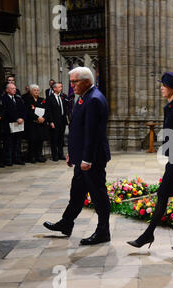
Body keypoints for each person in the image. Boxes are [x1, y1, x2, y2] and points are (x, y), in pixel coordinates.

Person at [128, 72, 173, 250]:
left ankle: (148, 234)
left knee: (164, 195)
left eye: (164, 85)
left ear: (172, 89)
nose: (161, 88)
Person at [43, 67, 112, 245]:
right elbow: (78, 130)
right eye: (71, 81)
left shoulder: (94, 99)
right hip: (82, 156)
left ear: (87, 81)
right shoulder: (85, 97)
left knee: (98, 195)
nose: (71, 85)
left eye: (75, 81)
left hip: (92, 158)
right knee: (77, 193)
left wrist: (86, 159)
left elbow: (92, 134)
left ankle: (103, 231)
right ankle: (66, 224)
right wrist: (72, 155)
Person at [24, 85, 49, 163]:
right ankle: (32, 157)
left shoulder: (42, 100)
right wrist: (37, 118)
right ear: (31, 91)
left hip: (41, 124)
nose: (36, 92)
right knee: (32, 141)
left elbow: (47, 110)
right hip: (32, 124)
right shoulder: (27, 100)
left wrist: (43, 118)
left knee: (40, 140)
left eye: (38, 90)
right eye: (35, 90)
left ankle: (39, 156)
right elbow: (28, 112)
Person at [2, 83, 26, 166]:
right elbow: (7, 111)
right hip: (9, 123)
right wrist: (16, 118)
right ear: (7, 90)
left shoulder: (18, 98)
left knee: (17, 142)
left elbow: (23, 109)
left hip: (18, 124)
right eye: (12, 88)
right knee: (8, 143)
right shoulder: (4, 98)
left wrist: (22, 118)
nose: (14, 90)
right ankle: (9, 159)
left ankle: (17, 158)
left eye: (15, 88)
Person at [46, 82, 68, 161]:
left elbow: (65, 108)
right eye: (59, 87)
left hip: (62, 120)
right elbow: (48, 111)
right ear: (54, 88)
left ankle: (61, 154)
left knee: (61, 139)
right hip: (54, 121)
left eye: (61, 87)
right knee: (54, 139)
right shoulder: (50, 98)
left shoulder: (63, 96)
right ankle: (54, 155)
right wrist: (51, 121)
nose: (60, 88)